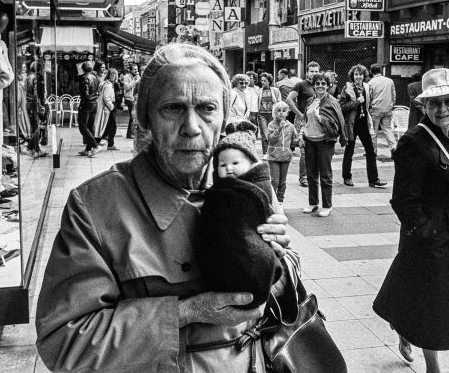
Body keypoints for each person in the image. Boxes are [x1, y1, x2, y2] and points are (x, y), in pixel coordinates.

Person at [35, 43, 297, 372]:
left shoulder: (248, 185)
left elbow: (288, 289)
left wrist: (280, 258)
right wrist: (186, 312)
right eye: (173, 108)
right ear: (145, 117)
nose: (191, 126)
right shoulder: (95, 207)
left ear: (224, 117)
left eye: (207, 108)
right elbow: (64, 342)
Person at [373, 68, 449, 373]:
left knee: (427, 294)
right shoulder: (414, 142)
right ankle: (434, 365)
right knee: (435, 303)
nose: (442, 109)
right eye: (435, 103)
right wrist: (426, 233)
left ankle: (404, 328)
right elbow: (403, 199)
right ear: (424, 106)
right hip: (429, 236)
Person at [197, 124, 285, 310]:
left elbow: (285, 248)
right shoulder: (218, 192)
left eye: (235, 164)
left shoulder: (258, 189)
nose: (229, 169)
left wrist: (280, 251)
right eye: (222, 165)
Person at [300, 72, 346, 217]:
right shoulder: (310, 101)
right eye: (317, 83)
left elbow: (336, 125)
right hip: (309, 140)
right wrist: (301, 134)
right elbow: (304, 119)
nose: (320, 86)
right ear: (313, 86)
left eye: (323, 84)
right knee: (311, 175)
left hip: (324, 142)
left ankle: (327, 205)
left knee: (325, 175)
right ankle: (313, 203)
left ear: (328, 85)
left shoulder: (332, 102)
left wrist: (320, 118)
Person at [340, 64, 387, 188]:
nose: (358, 77)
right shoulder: (347, 88)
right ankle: (347, 177)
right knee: (349, 150)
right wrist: (356, 102)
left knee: (371, 150)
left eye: (360, 74)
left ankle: (373, 179)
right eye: (356, 74)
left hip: (364, 122)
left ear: (364, 76)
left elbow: (369, 104)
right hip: (352, 123)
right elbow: (342, 106)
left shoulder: (367, 87)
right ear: (352, 76)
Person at [286, 61, 320, 187]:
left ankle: (312, 175)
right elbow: (289, 99)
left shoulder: (320, 85)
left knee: (315, 149)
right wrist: (299, 114)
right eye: (312, 71)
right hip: (303, 121)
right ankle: (304, 177)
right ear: (307, 72)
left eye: (316, 71)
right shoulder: (301, 85)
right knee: (304, 149)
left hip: (316, 120)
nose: (314, 73)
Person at [267, 101, 299, 208]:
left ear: (287, 113)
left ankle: (280, 201)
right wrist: (279, 129)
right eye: (278, 111)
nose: (281, 113)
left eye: (284, 111)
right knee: (274, 181)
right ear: (274, 113)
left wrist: (300, 140)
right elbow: (271, 139)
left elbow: (294, 142)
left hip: (286, 156)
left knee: (282, 182)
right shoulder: (271, 125)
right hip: (274, 156)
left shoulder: (291, 126)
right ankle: (272, 200)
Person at [368, 63, 397, 157]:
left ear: (371, 72)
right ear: (380, 70)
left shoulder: (371, 83)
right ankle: (393, 147)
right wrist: (392, 105)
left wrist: (369, 107)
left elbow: (369, 97)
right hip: (388, 108)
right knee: (388, 129)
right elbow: (393, 95)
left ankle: (373, 151)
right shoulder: (390, 81)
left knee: (373, 131)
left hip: (376, 109)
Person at [24, 61, 48, 158]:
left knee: (35, 127)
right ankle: (30, 147)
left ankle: (36, 149)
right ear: (39, 69)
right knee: (39, 127)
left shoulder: (27, 78)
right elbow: (38, 93)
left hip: (29, 104)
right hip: (36, 104)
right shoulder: (38, 78)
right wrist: (41, 106)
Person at [77, 62, 100, 157]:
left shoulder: (84, 78)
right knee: (90, 126)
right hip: (94, 103)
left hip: (87, 104)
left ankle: (95, 146)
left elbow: (85, 94)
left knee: (82, 126)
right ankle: (88, 149)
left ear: (82, 69)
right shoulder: (95, 77)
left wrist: (83, 101)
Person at [94, 68, 119, 151]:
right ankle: (95, 144)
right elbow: (106, 98)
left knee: (110, 127)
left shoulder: (106, 83)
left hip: (107, 108)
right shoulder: (108, 85)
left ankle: (109, 144)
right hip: (108, 109)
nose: (114, 77)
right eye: (112, 75)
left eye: (115, 75)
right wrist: (111, 107)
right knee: (107, 128)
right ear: (109, 75)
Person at [257, 72, 281, 157]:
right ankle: (265, 152)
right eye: (262, 81)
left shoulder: (275, 90)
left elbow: (279, 102)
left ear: (269, 81)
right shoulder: (259, 91)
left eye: (265, 81)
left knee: (273, 132)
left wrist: (279, 114)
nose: (263, 82)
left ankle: (273, 151)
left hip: (272, 114)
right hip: (262, 114)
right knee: (264, 133)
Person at [124, 63, 140, 139]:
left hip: (136, 99)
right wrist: (134, 81)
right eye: (134, 69)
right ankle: (130, 134)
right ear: (130, 70)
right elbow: (126, 87)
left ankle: (130, 133)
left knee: (134, 117)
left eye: (137, 69)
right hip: (129, 98)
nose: (136, 70)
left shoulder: (138, 77)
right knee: (132, 116)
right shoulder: (127, 77)